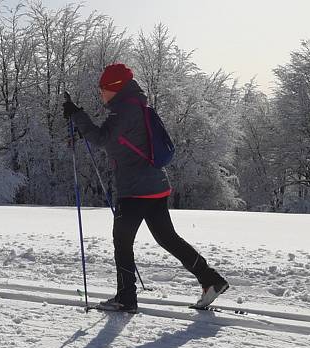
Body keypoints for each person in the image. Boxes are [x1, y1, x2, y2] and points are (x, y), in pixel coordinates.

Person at [62, 63, 229, 312]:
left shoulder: (124, 111)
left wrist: (77, 115)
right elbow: (118, 138)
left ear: (115, 89)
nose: (100, 94)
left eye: (103, 89)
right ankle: (211, 279)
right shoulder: (136, 107)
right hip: (155, 186)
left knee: (122, 240)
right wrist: (82, 128)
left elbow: (103, 139)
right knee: (168, 239)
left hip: (135, 190)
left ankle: (126, 298)